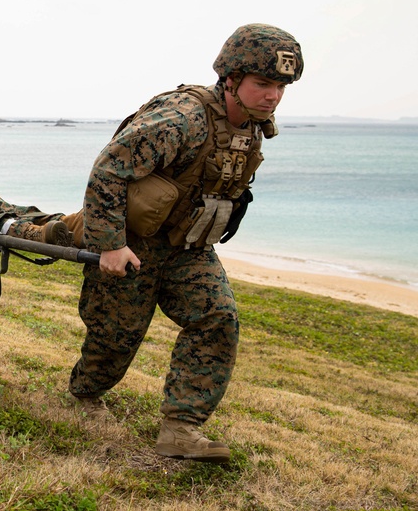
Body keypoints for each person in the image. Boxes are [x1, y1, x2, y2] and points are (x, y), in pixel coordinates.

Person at [66, 24, 304, 464]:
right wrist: (110, 245)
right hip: (135, 242)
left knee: (218, 318)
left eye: (281, 87)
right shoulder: (182, 117)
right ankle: (84, 394)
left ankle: (181, 429)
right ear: (231, 79)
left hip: (188, 249)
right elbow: (108, 170)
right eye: (263, 84)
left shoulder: (252, 124)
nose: (273, 96)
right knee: (114, 341)